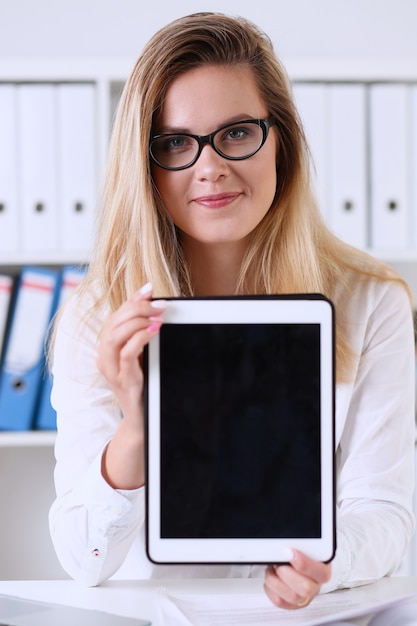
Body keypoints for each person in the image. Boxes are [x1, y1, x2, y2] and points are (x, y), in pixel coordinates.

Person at [48, 12, 415, 610]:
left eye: (237, 133)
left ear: (282, 142)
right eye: (174, 143)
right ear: (146, 166)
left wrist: (319, 559)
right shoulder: (99, 316)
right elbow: (82, 557)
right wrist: (139, 430)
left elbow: (383, 513)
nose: (210, 166)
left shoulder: (372, 300)